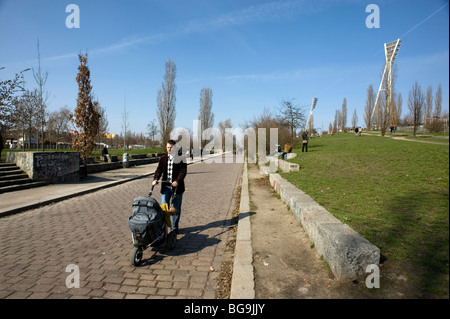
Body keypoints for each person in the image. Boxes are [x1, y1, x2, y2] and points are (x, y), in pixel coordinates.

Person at [152, 140, 187, 234]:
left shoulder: (181, 158)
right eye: (168, 147)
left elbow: (183, 172)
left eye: (171, 147)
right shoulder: (163, 158)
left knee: (175, 208)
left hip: (177, 188)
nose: (169, 149)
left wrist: (177, 181)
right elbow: (158, 170)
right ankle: (163, 227)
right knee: (163, 207)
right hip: (165, 187)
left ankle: (175, 228)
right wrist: (155, 179)